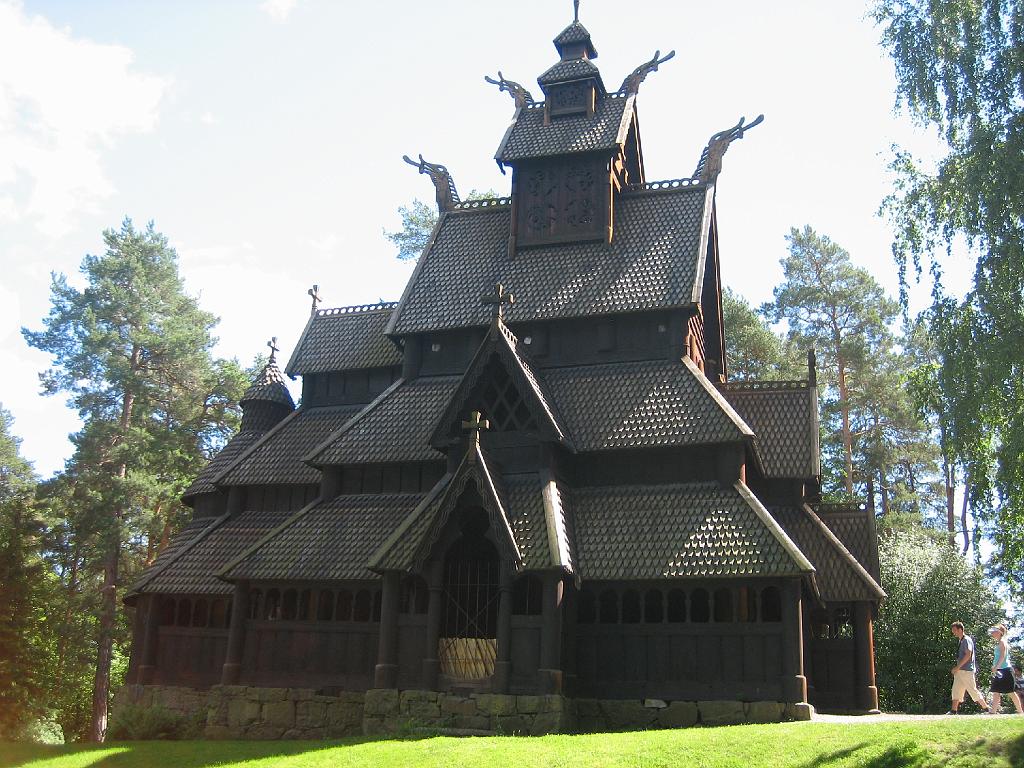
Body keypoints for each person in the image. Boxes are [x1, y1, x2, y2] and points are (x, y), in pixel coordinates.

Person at [947, 621, 991, 714]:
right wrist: (958, 668)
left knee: (972, 690)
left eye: (954, 630)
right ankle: (953, 711)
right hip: (961, 671)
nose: (953, 632)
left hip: (966, 670)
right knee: (956, 689)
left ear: (960, 629)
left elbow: (968, 654)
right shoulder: (961, 640)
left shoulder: (966, 640)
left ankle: (987, 708)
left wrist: (958, 667)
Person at [988, 624, 1023, 714]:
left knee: (1011, 692)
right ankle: (993, 712)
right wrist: (995, 667)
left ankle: (1020, 711)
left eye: (994, 631)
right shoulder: (999, 642)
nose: (993, 633)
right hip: (999, 671)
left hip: (1006, 670)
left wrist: (996, 667)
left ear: (1000, 632)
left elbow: (1003, 656)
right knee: (996, 691)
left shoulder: (1003, 642)